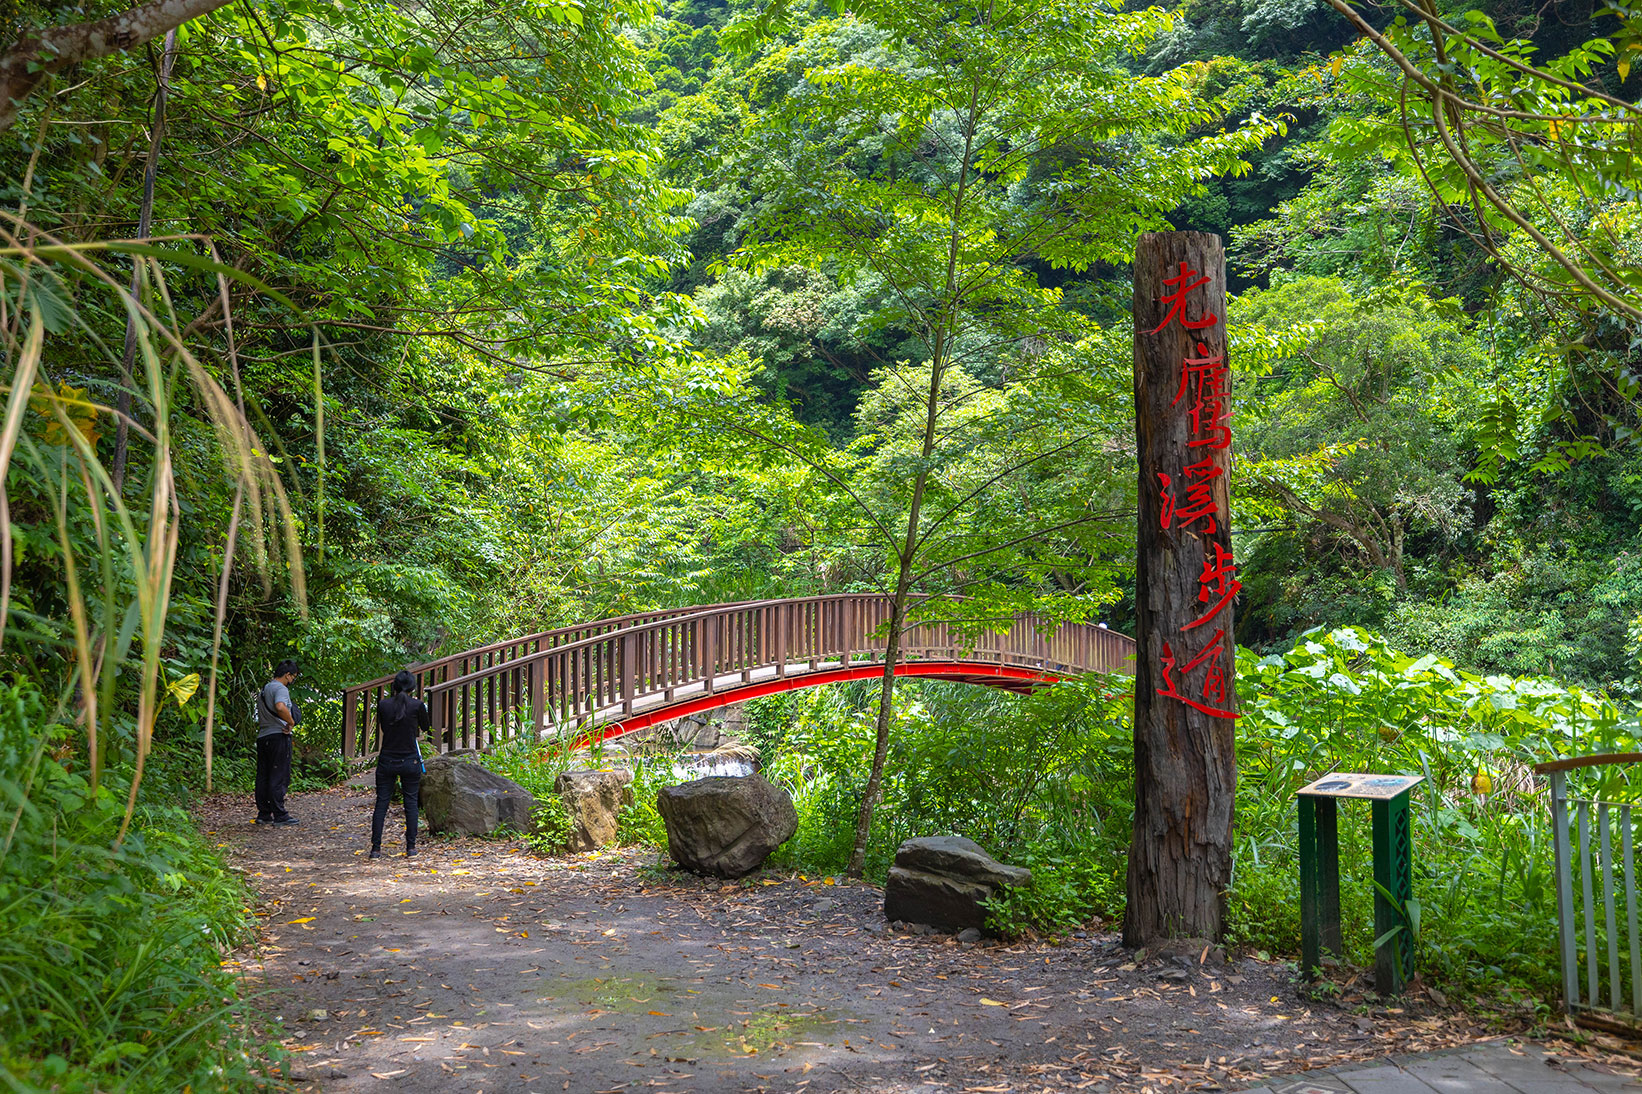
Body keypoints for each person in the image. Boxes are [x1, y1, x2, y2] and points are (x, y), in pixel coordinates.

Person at [371, 670, 430, 859]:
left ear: (394, 686)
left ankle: (376, 849)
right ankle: (411, 847)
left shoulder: (383, 705)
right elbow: (426, 727)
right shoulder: (417, 705)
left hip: (387, 759)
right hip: (410, 760)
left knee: (382, 803)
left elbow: (383, 727)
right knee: (411, 803)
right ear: (412, 687)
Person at [255, 659, 301, 826]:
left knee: (263, 775)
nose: (292, 680)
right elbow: (280, 707)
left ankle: (264, 813)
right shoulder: (280, 688)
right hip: (278, 736)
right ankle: (280, 814)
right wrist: (291, 722)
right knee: (279, 775)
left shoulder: (265, 689)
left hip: (263, 736)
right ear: (287, 675)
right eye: (293, 677)